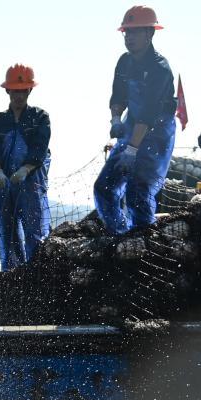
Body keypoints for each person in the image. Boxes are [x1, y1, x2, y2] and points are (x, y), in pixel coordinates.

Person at [94, 5, 177, 234]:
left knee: (138, 190)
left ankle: (143, 240)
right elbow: (118, 96)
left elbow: (148, 114)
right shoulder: (124, 62)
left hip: (157, 131)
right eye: (126, 32)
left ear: (150, 33)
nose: (129, 37)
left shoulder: (160, 68)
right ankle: (118, 236)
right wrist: (115, 119)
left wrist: (131, 151)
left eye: (135, 31)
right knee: (104, 188)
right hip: (132, 127)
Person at [0, 64, 52, 270]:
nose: (19, 95)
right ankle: (12, 275)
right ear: (7, 90)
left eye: (23, 90)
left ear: (30, 90)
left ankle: (36, 274)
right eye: (15, 90)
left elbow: (40, 148)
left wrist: (25, 169)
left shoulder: (40, 117)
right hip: (3, 185)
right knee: (8, 232)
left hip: (31, 184)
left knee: (35, 231)